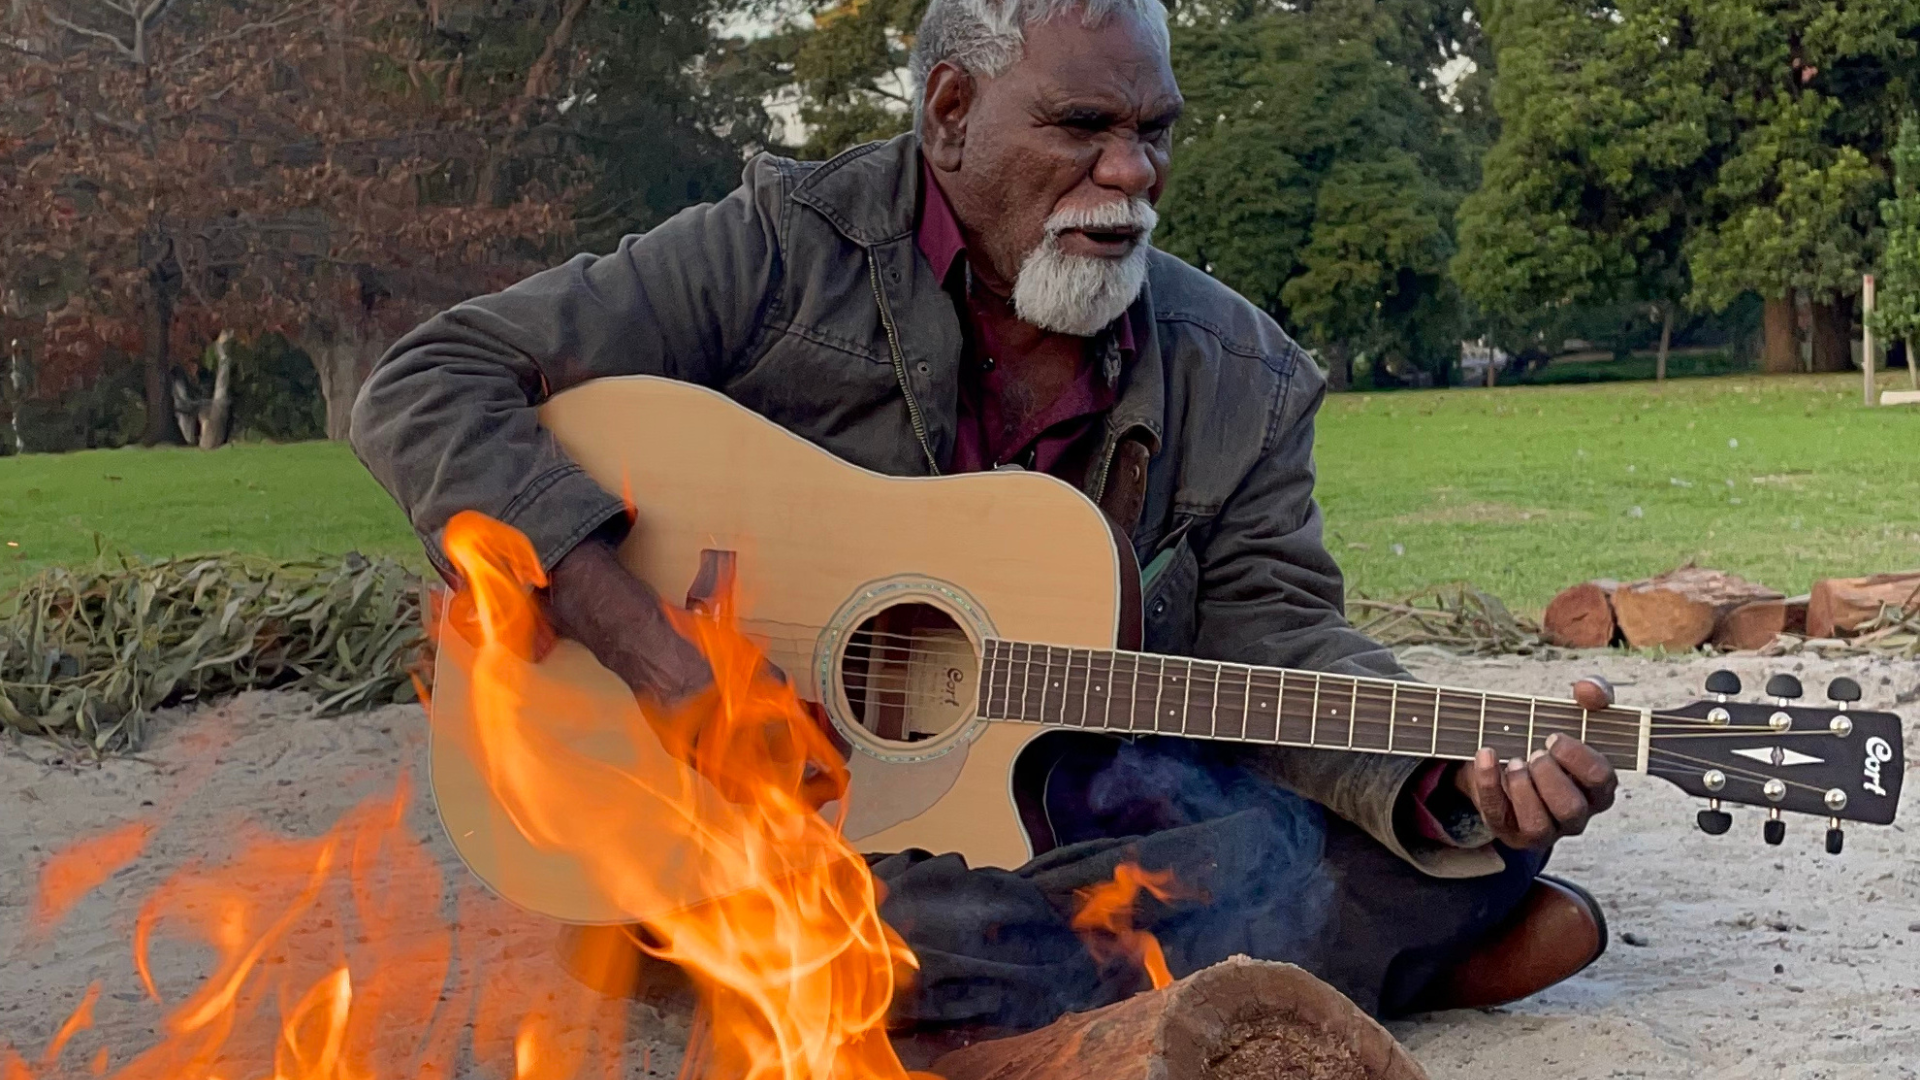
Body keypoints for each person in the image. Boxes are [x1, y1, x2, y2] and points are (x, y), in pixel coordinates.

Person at [350, 0, 1618, 1029]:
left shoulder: (1244, 372)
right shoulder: (778, 252)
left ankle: (971, 1000)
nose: (1131, 176)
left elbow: (1279, 638)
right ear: (950, 111)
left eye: (1155, 132)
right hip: (769, 825)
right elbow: (428, 383)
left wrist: (1442, 776)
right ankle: (1247, 982)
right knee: (877, 903)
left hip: (1073, 803)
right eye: (1083, 126)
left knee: (1464, 850)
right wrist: (662, 660)